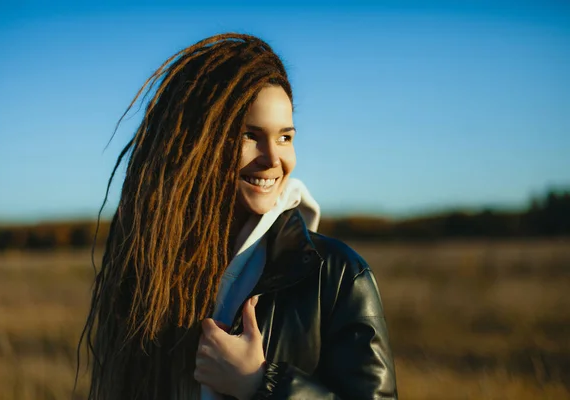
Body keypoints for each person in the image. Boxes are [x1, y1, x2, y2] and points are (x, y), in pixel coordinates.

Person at [79, 33, 397, 400]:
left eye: (285, 137)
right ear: (197, 141)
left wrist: (260, 384)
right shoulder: (150, 270)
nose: (273, 158)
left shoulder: (336, 273)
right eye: (250, 136)